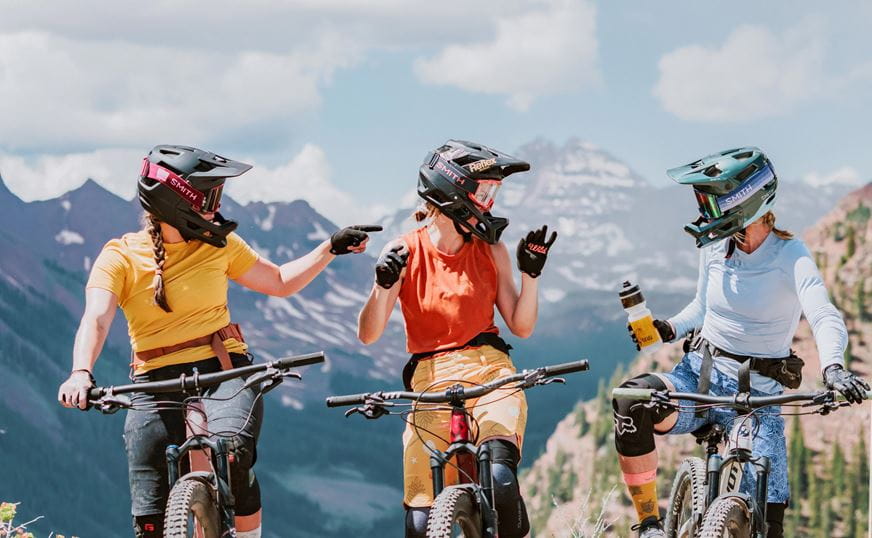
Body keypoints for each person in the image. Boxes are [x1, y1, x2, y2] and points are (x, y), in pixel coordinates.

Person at [57, 145, 380, 538]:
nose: (216, 208)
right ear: (175, 200)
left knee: (232, 453)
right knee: (148, 513)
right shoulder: (120, 256)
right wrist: (80, 373)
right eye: (209, 198)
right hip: (154, 379)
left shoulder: (220, 246)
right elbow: (97, 318)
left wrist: (329, 247)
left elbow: (278, 281)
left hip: (223, 369)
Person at [612, 146, 869, 538]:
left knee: (767, 524)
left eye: (710, 203)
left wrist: (833, 366)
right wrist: (668, 328)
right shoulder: (716, 246)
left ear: (742, 202)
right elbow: (701, 309)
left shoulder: (790, 256)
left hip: (757, 400)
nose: (704, 213)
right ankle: (649, 525)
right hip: (697, 381)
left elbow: (823, 314)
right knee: (631, 402)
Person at [357, 140, 557, 538]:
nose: (489, 202)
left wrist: (530, 275)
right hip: (429, 380)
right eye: (483, 192)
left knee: (499, 478)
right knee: (418, 523)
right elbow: (368, 334)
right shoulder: (403, 250)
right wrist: (382, 285)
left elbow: (521, 326)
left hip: (491, 372)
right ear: (452, 192)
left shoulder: (491, 249)